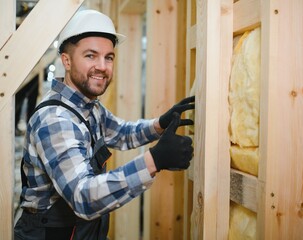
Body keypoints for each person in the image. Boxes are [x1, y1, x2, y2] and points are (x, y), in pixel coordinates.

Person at [14, 9, 195, 240]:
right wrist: (154, 160)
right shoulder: (55, 119)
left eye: (108, 57)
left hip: (84, 231)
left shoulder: (90, 107)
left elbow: (123, 133)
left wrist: (160, 123)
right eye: (91, 56)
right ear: (66, 61)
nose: (102, 66)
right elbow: (84, 198)